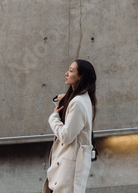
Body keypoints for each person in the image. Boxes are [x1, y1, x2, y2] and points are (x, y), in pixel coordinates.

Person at [43, 59, 97, 193]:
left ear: (81, 77)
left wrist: (53, 118)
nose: (66, 73)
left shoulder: (78, 102)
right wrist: (61, 102)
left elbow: (66, 136)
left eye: (71, 71)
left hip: (69, 166)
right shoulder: (81, 98)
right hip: (67, 163)